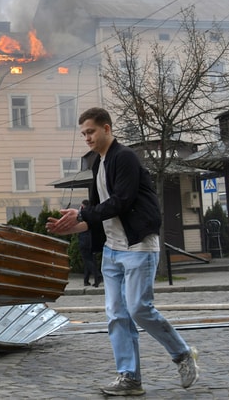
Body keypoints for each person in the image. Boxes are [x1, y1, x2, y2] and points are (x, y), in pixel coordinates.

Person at [46, 107, 199, 396]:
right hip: (113, 251)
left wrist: (83, 215)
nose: (87, 138)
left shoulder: (125, 157)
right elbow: (97, 216)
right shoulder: (96, 164)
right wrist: (70, 226)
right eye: (83, 134)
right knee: (116, 314)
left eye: (91, 131)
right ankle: (129, 378)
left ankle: (182, 355)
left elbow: (121, 202)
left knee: (139, 308)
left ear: (107, 128)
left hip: (139, 246)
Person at [77, 200, 102, 287]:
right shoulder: (92, 213)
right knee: (89, 260)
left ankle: (97, 276)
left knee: (87, 260)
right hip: (92, 240)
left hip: (84, 240)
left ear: (83, 206)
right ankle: (86, 280)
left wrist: (80, 211)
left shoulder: (83, 215)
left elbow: (78, 224)